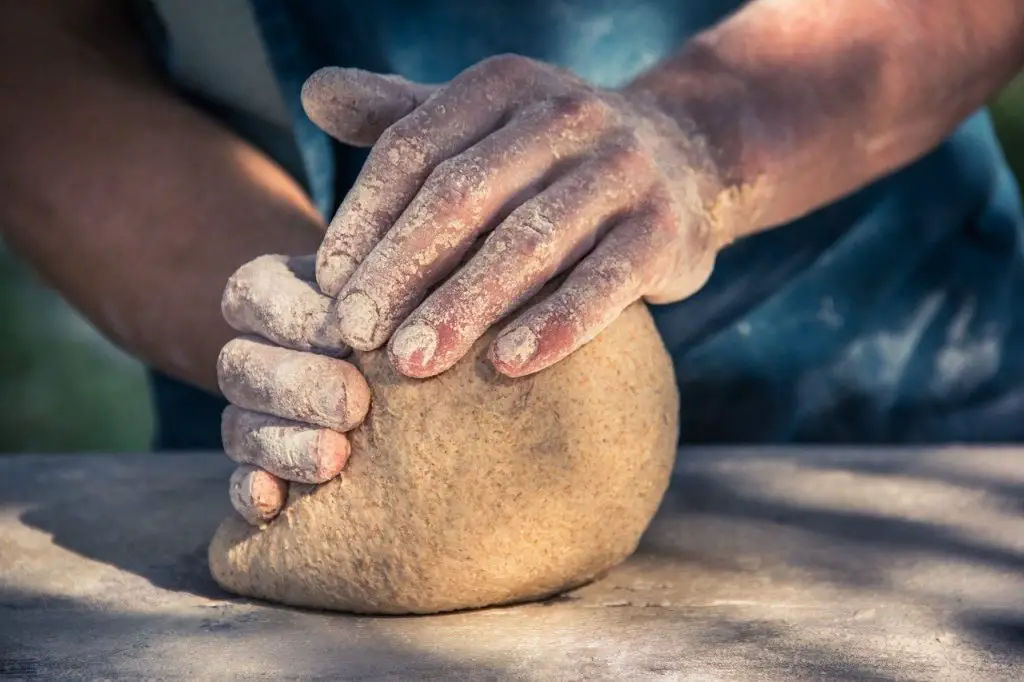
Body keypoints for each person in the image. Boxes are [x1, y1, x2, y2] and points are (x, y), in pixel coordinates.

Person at [3, 1, 1024, 524]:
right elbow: (37, 53)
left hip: (878, 359)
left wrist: (704, 137)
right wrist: (292, 315)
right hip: (279, 416)